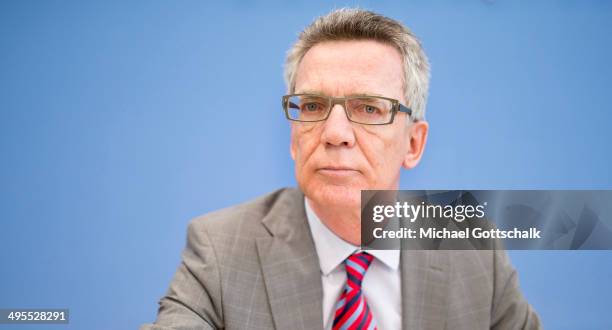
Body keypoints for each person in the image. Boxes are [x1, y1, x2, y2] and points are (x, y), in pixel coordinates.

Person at [141, 8, 540, 330]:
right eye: (312, 106)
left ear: (413, 144)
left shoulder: (472, 249)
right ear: (294, 135)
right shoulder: (219, 248)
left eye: (368, 108)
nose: (334, 134)